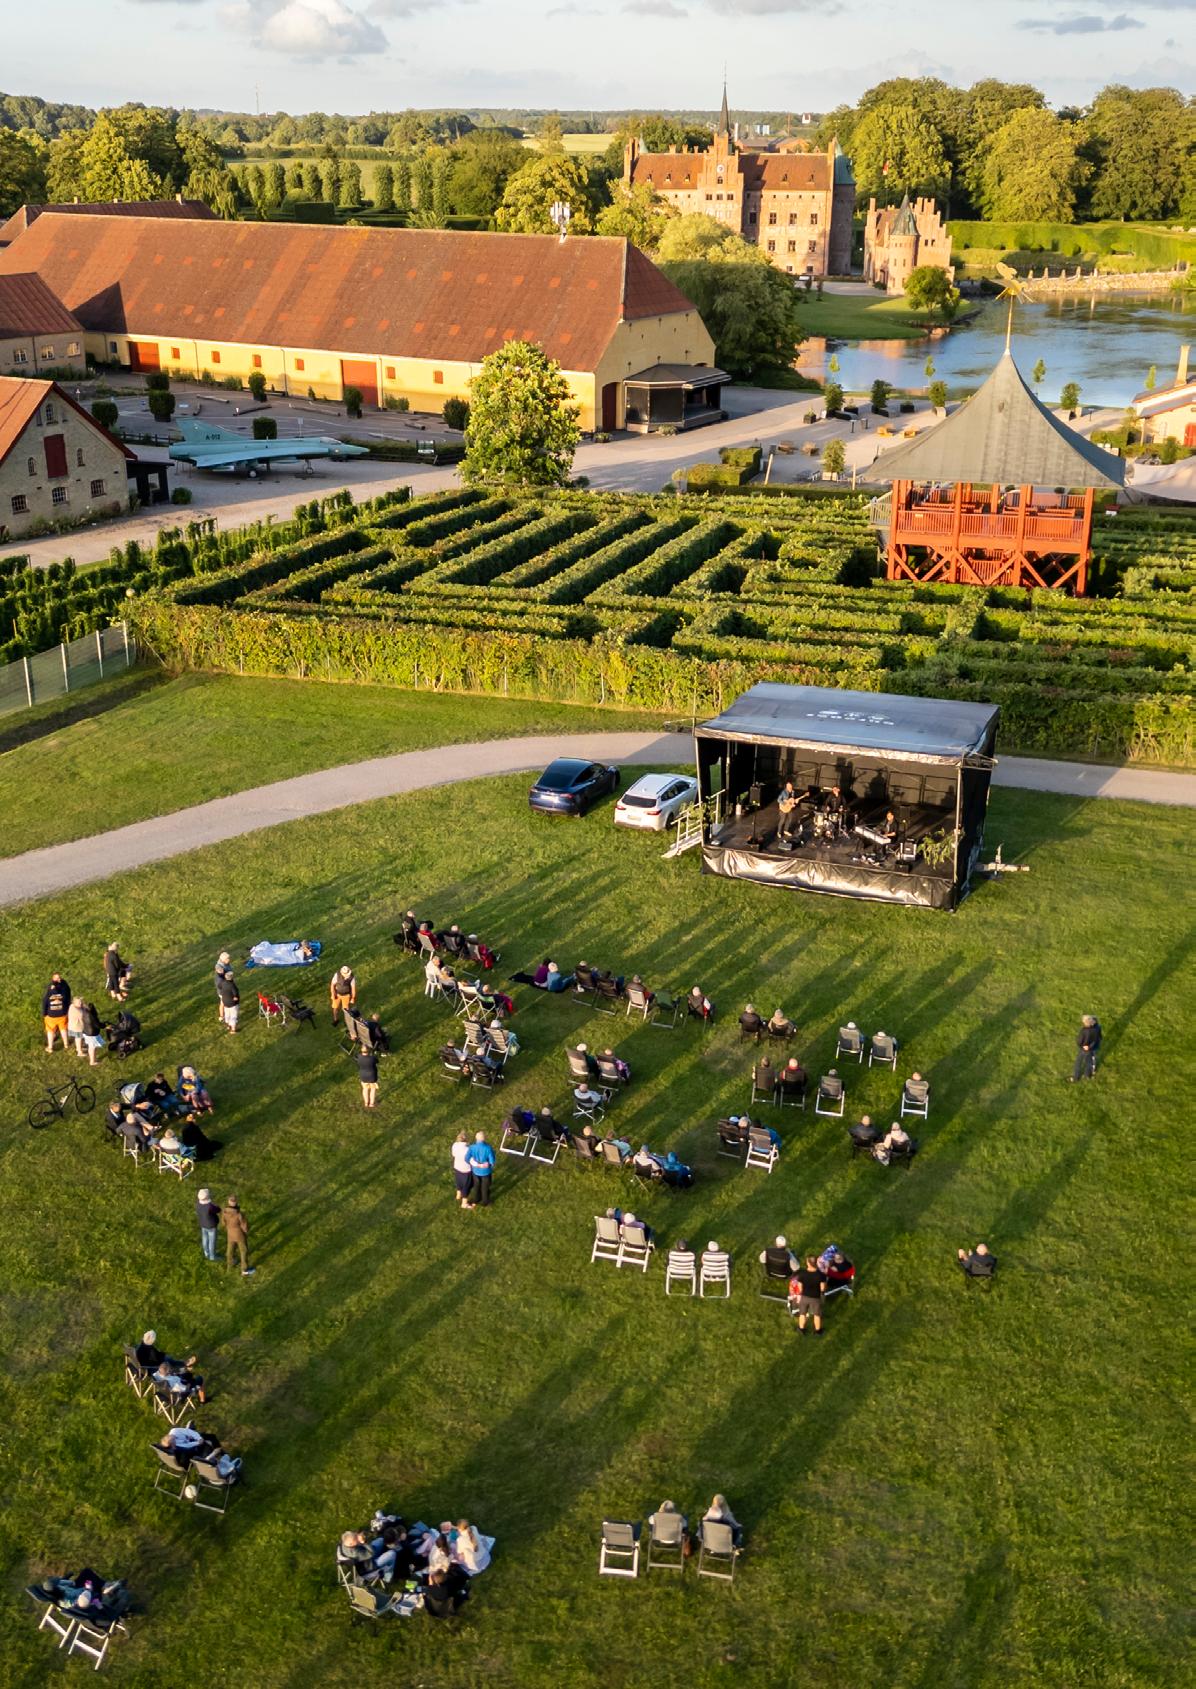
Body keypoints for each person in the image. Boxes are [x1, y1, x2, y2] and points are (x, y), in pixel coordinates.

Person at [790, 1255, 827, 1334]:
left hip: (804, 1297)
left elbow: (800, 1288)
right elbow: (822, 1288)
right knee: (817, 1315)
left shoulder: (802, 1274)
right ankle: (818, 1331)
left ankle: (801, 1329)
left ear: (808, 1263)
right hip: (815, 1298)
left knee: (802, 1314)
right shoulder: (821, 1275)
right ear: (816, 1263)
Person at [222, 1194, 254, 1275]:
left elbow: (223, 1223)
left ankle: (230, 1266)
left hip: (230, 1234)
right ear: (236, 1202)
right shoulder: (239, 1214)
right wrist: (246, 1231)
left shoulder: (225, 1212)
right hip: (239, 1235)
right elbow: (244, 1226)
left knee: (230, 1250)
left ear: (228, 1202)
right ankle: (244, 1270)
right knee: (243, 1251)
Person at [42, 973, 71, 1052]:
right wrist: (66, 1011)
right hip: (62, 1014)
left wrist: (44, 1014)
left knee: (50, 1031)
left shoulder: (49, 992)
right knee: (63, 1029)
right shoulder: (63, 991)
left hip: (51, 1015)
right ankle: (66, 1044)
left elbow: (45, 1002)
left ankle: (50, 1047)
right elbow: (67, 1000)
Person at [466, 1130, 495, 1208]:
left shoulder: (472, 1147)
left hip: (476, 1171)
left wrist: (475, 1164)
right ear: (484, 1139)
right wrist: (489, 1164)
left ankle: (476, 1199)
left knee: (476, 1185)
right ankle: (485, 1201)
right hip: (486, 1171)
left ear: (476, 1138)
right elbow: (492, 1160)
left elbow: (467, 1158)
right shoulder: (488, 1148)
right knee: (485, 1187)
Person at [1070, 1014, 1102, 1082]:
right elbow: (1099, 1038)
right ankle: (1087, 1075)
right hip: (1092, 1048)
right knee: (1089, 1062)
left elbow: (1079, 1041)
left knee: (1078, 1062)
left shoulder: (1084, 1031)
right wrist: (1091, 1046)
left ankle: (1076, 1077)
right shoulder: (1097, 1028)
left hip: (1084, 1049)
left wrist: (1082, 1046)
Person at [196, 1189, 221, 1260]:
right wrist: (217, 1206)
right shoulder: (210, 1206)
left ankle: (206, 1253)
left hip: (203, 1224)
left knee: (205, 1238)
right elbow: (218, 1210)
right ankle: (212, 1256)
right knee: (212, 1241)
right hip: (211, 1226)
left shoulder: (197, 1204)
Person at [77, 1000, 104, 1065]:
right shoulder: (92, 1017)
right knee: (92, 1047)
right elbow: (98, 1025)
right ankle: (92, 1061)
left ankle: (93, 1059)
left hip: (86, 1032)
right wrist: (105, 1025)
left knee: (91, 1046)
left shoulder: (83, 1013)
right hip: (92, 1034)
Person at [217, 966, 240, 1035]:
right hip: (232, 1003)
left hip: (225, 1002)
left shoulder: (222, 982)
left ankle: (228, 1026)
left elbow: (219, 986)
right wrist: (236, 998)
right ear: (232, 977)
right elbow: (235, 993)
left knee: (227, 1014)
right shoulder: (232, 985)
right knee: (233, 1015)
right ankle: (233, 1030)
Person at [777, 778, 801, 842]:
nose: (791, 788)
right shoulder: (783, 792)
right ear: (787, 787)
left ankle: (785, 830)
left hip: (789, 808)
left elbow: (793, 800)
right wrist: (785, 803)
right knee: (782, 820)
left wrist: (795, 802)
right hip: (783, 809)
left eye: (791, 787)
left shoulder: (793, 792)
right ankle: (779, 832)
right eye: (789, 787)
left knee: (790, 819)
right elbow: (778, 800)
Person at [213, 952, 233, 1023]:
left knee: (223, 1003)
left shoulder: (225, 964)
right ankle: (224, 1017)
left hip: (227, 987)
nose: (229, 960)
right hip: (223, 990)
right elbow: (219, 983)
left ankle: (223, 1016)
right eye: (228, 959)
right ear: (223, 960)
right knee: (224, 1003)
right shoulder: (220, 969)